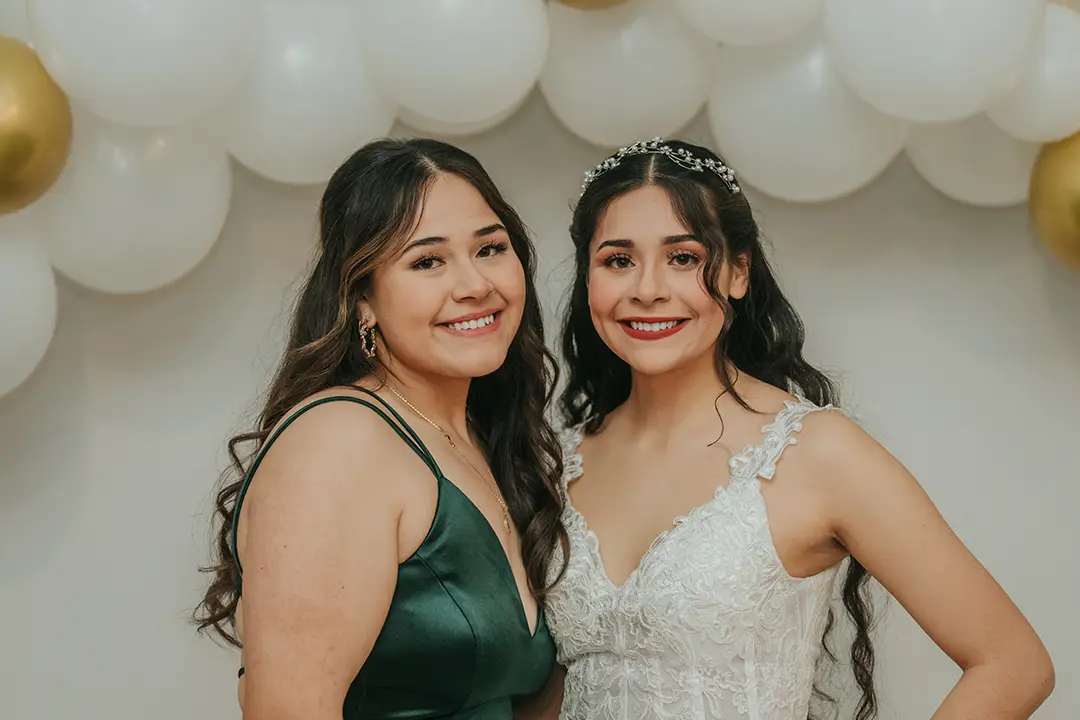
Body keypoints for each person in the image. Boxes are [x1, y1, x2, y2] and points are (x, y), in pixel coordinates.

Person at [533, 138, 1054, 719]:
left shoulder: (817, 452)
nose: (648, 289)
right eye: (618, 260)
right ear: (588, 279)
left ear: (738, 271)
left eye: (683, 257)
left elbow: (1013, 664)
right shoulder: (557, 459)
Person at [193, 138, 568, 719]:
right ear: (362, 298)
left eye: (490, 248)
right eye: (427, 261)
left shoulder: (476, 437)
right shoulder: (342, 441)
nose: (474, 284)